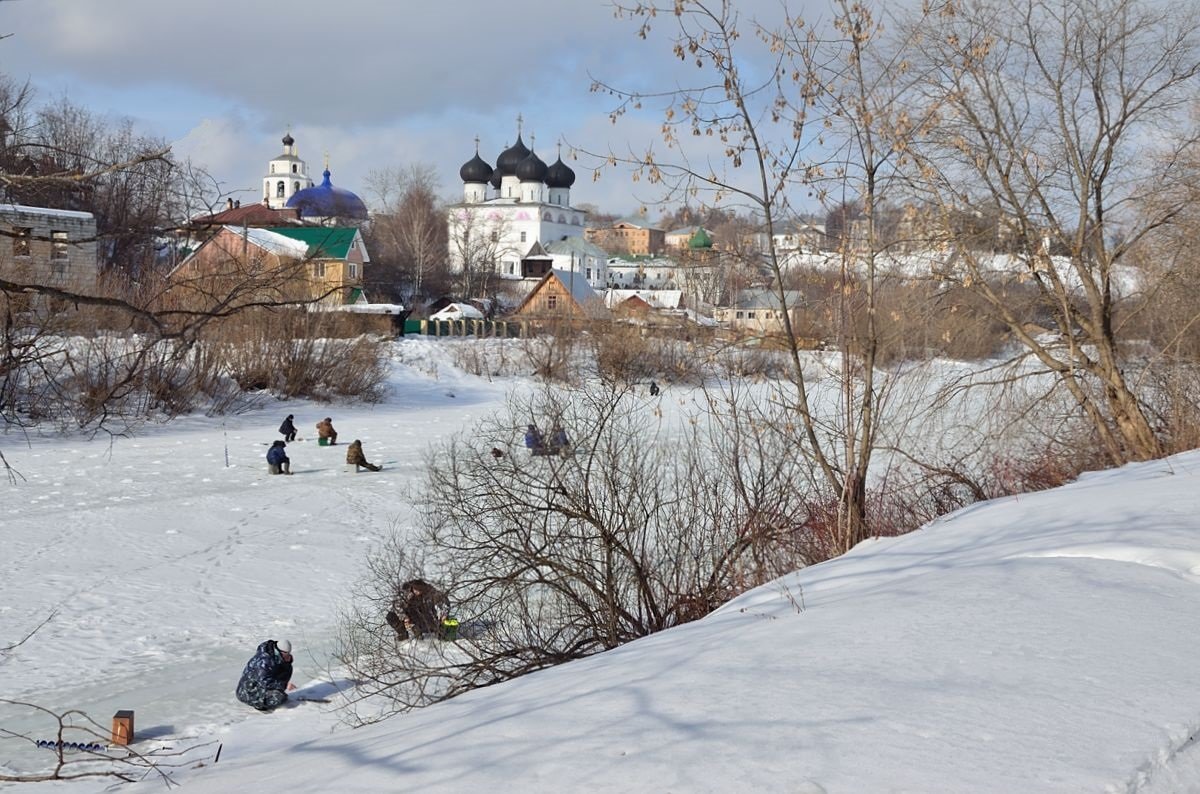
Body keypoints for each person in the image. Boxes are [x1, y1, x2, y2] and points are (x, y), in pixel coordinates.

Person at [235, 639, 296, 711]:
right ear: (279, 651)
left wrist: (287, 663)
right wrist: (285, 685)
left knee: (288, 668)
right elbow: (264, 681)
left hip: (259, 686)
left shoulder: (276, 656)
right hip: (247, 691)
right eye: (286, 654)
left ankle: (269, 695)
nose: (288, 655)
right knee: (278, 698)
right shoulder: (264, 660)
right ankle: (260, 705)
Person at [386, 579, 450, 640]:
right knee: (391, 616)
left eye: (417, 589)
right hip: (415, 620)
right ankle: (404, 633)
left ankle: (439, 632)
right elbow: (397, 606)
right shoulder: (409, 595)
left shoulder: (432, 593)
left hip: (431, 620)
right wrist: (405, 618)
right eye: (414, 589)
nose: (415, 591)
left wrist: (443, 616)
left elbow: (444, 603)